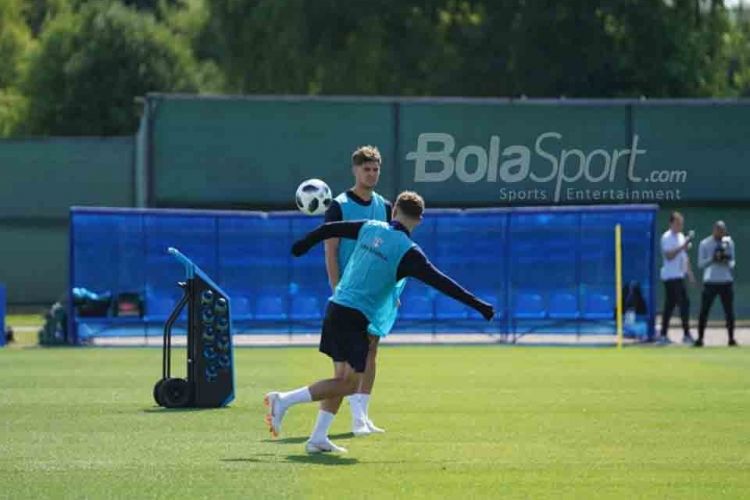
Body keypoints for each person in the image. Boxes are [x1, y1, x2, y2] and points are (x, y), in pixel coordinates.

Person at [264, 191, 495, 453]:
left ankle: (317, 438)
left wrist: (302, 245)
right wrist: (480, 306)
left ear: (394, 209)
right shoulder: (409, 252)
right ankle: (283, 400)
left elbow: (328, 229)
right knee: (349, 384)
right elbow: (444, 284)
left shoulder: (370, 226)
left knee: (340, 378)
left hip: (335, 307)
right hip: (354, 316)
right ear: (419, 220)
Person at [324, 145, 392, 436]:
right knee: (349, 363)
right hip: (349, 295)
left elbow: (392, 251)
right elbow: (331, 250)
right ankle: (349, 419)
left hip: (375, 293)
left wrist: (393, 292)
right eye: (367, 169)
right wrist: (337, 288)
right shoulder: (339, 205)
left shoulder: (386, 207)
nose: (372, 174)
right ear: (355, 170)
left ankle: (362, 416)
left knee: (371, 351)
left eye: (376, 169)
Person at [695, 221, 737, 347]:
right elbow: (700, 264)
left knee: (729, 311)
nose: (720, 232)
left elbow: (733, 262)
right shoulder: (705, 243)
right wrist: (712, 259)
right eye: (718, 230)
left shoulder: (729, 243)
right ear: (714, 230)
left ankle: (731, 338)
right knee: (704, 311)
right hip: (710, 281)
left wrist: (726, 260)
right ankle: (700, 338)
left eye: (723, 230)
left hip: (726, 281)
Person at [659, 211, 696, 344]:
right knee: (683, 303)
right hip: (670, 277)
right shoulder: (666, 237)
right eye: (677, 223)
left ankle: (663, 334)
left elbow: (684, 258)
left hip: (679, 276)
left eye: (681, 224)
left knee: (671, 306)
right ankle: (685, 334)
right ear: (671, 223)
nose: (680, 226)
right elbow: (669, 256)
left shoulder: (681, 236)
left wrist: (690, 274)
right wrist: (682, 246)